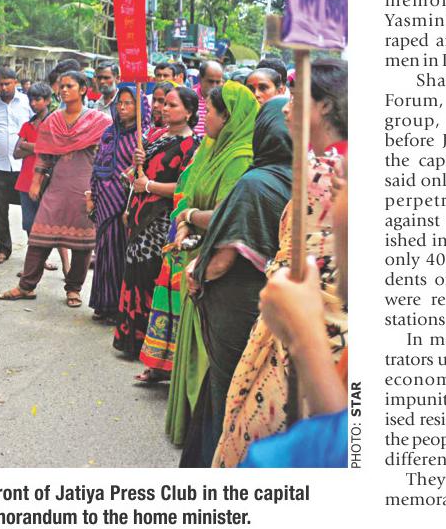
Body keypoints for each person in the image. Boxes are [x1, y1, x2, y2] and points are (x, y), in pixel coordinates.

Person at [214, 59, 347, 467]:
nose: (286, 107)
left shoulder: (329, 173)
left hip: (312, 331)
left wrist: (302, 329)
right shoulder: (316, 168)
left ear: (325, 106)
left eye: (296, 96)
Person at [183, 97, 293, 468]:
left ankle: (219, 463)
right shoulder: (309, 181)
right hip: (278, 303)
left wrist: (197, 276)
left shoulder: (254, 184)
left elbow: (223, 260)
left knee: (230, 387)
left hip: (237, 302)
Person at [145, 82, 257, 444]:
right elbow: (187, 191)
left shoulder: (240, 157)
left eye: (212, 112)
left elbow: (224, 215)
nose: (205, 119)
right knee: (190, 344)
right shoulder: (209, 149)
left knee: (205, 355)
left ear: (229, 117)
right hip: (191, 251)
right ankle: (190, 430)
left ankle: (205, 438)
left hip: (213, 264)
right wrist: (183, 221)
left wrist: (189, 216)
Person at [0, 70, 111, 307]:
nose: (64, 90)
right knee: (39, 237)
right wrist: (36, 182)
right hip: (57, 187)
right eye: (62, 86)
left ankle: (74, 289)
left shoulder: (99, 121)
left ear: (83, 90)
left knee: (83, 245)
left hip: (85, 188)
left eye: (70, 86)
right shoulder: (54, 120)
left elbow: (109, 156)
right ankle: (26, 286)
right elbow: (44, 154)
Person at [114, 87, 201, 372]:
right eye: (163, 104)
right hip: (139, 213)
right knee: (132, 275)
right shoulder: (155, 136)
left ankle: (147, 345)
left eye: (172, 105)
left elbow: (184, 187)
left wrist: (149, 186)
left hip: (161, 219)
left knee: (149, 276)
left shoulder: (191, 146)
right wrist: (137, 170)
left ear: (188, 112)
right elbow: (137, 177)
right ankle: (128, 338)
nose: (164, 108)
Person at [86, 84, 143, 322]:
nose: (122, 107)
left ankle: (117, 308)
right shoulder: (109, 132)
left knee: (118, 254)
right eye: (120, 103)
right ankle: (102, 303)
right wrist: (92, 194)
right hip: (103, 199)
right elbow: (98, 163)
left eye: (129, 103)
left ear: (139, 107)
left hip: (124, 203)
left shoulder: (143, 137)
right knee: (103, 252)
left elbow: (139, 172)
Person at [13, 82, 68, 273]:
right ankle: (35, 263)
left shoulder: (54, 123)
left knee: (54, 225)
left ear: (47, 100)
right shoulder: (28, 125)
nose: (33, 103)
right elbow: (16, 153)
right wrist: (38, 147)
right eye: (31, 99)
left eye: (37, 99)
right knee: (30, 225)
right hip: (26, 181)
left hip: (48, 181)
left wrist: (28, 145)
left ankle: (66, 266)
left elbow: (55, 149)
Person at [0, 68, 32, 265]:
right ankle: (3, 249)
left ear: (15, 83)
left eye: (8, 84)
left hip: (23, 166)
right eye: (1, 84)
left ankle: (36, 254)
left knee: (30, 209)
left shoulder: (27, 102)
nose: (4, 88)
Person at [194, 60, 225, 135]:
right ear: (200, 79)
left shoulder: (226, 100)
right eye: (210, 81)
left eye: (218, 82)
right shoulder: (190, 98)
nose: (214, 86)